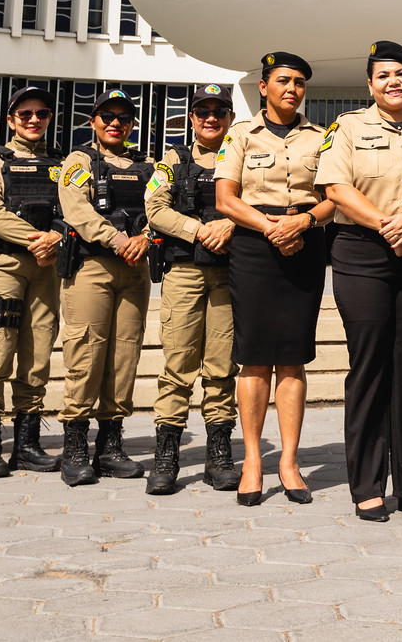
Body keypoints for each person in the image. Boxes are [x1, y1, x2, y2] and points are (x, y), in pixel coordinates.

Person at [318, 41, 402, 522]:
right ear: (370, 84)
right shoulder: (347, 128)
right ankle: (367, 484)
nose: (393, 82)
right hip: (362, 253)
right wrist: (389, 227)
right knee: (369, 364)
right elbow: (336, 189)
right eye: (383, 75)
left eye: (401, 73)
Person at [215, 52, 332, 506]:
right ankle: (251, 461)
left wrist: (301, 224)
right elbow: (226, 199)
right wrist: (271, 228)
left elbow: (332, 198)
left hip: (304, 245)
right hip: (255, 249)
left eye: (299, 82)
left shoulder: (321, 137)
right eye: (283, 80)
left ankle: (289, 461)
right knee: (255, 358)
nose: (292, 89)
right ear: (263, 87)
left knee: (293, 359)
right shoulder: (241, 134)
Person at [143, 82, 241, 494]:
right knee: (178, 363)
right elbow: (154, 208)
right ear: (192, 118)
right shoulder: (174, 159)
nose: (211, 118)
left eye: (219, 112)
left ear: (231, 118)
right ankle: (166, 454)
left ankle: (219, 453)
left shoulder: (242, 155)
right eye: (203, 112)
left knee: (222, 364)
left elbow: (257, 202)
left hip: (229, 273)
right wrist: (200, 230)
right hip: (184, 271)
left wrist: (231, 223)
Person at [55, 89, 155, 486]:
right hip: (92, 267)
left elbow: (162, 208)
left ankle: (110, 446)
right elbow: (77, 210)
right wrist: (118, 239)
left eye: (124, 118)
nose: (116, 123)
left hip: (135, 269)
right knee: (86, 352)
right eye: (107, 116)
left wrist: (147, 237)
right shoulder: (79, 161)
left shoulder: (147, 165)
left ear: (132, 124)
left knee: (124, 357)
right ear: (93, 121)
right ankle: (75, 447)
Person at [0, 84, 63, 478]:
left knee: (38, 355)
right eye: (25, 114)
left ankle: (26, 445)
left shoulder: (61, 162)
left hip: (47, 267)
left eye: (41, 113)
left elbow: (73, 209)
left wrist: (56, 237)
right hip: (5, 264)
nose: (34, 120)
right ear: (10, 120)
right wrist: (38, 238)